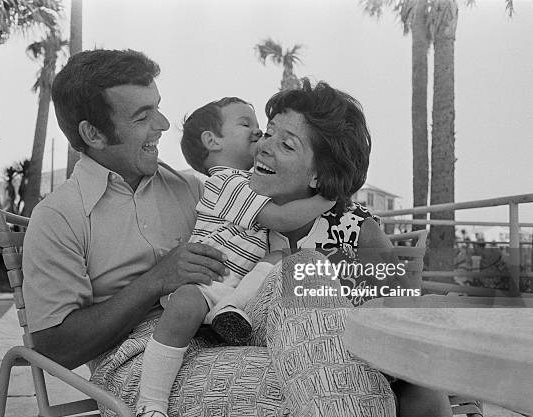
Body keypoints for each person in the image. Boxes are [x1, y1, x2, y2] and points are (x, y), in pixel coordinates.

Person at [21, 48, 439, 417]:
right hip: (142, 364)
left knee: (305, 270)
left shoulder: (194, 189)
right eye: (142, 116)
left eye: (158, 107)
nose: (164, 124)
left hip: (228, 330)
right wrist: (155, 281)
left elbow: (271, 190)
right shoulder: (59, 217)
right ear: (93, 133)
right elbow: (53, 348)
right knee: (302, 381)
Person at [136, 97, 335, 416]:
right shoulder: (226, 182)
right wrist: (330, 193)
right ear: (212, 141)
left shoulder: (253, 184)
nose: (258, 133)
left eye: (260, 128)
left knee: (280, 257)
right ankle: (151, 400)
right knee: (185, 303)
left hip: (239, 289)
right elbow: (283, 219)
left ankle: (229, 309)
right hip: (208, 281)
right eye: (246, 124)